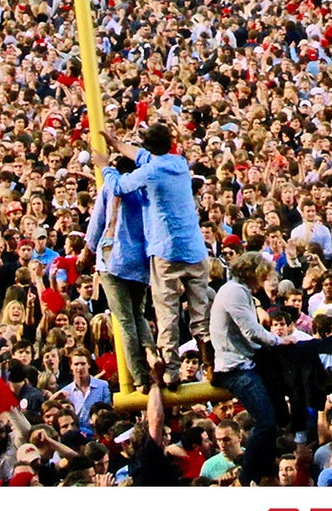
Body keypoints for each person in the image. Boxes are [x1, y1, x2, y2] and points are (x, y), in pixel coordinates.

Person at [103, 123, 211, 377]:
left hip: (167, 251)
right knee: (200, 311)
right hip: (195, 249)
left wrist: (104, 166)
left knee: (168, 313)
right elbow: (142, 155)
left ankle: (172, 371)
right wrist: (117, 143)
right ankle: (211, 365)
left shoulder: (150, 172)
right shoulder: (180, 164)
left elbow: (118, 186)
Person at [208, 251, 281, 485]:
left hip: (245, 361)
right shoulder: (233, 291)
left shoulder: (241, 291)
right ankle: (245, 475)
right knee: (266, 422)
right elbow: (251, 331)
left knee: (275, 418)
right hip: (235, 368)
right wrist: (279, 340)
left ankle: (266, 471)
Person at [83, 155, 155, 392]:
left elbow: (96, 225)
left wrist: (86, 254)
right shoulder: (145, 193)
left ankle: (140, 377)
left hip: (112, 260)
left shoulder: (109, 189)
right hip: (140, 263)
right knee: (138, 315)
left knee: (125, 320)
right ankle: (152, 355)